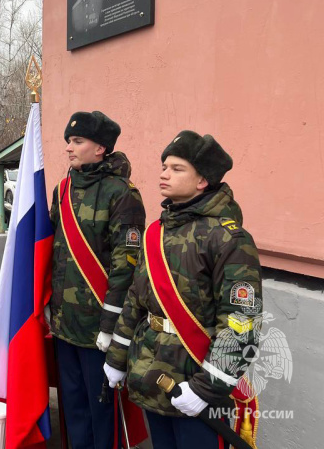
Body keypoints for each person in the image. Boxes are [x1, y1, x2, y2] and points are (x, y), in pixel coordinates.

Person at [104, 131, 262, 449]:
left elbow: (242, 324)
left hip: (196, 383)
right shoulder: (154, 233)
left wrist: (205, 389)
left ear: (202, 180)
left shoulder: (229, 239)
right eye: (164, 166)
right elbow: (136, 300)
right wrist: (117, 358)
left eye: (177, 168)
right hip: (152, 375)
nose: (164, 174)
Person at [49, 111, 145, 449]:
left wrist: (110, 325)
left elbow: (126, 266)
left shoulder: (123, 194)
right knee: (73, 407)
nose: (69, 148)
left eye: (77, 141)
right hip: (64, 323)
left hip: (99, 329)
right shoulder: (62, 190)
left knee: (101, 409)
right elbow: (53, 252)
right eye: (68, 142)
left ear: (101, 148)